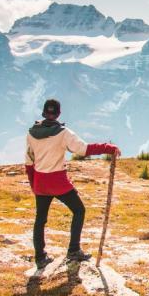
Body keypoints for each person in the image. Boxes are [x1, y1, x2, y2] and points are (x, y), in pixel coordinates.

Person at [25, 98, 120, 269]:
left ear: (44, 112)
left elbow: (29, 163)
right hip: (58, 182)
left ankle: (40, 257)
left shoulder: (31, 133)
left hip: (40, 183)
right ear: (59, 114)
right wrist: (108, 147)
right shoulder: (63, 133)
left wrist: (34, 185)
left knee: (40, 219)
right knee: (79, 210)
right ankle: (73, 250)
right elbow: (84, 149)